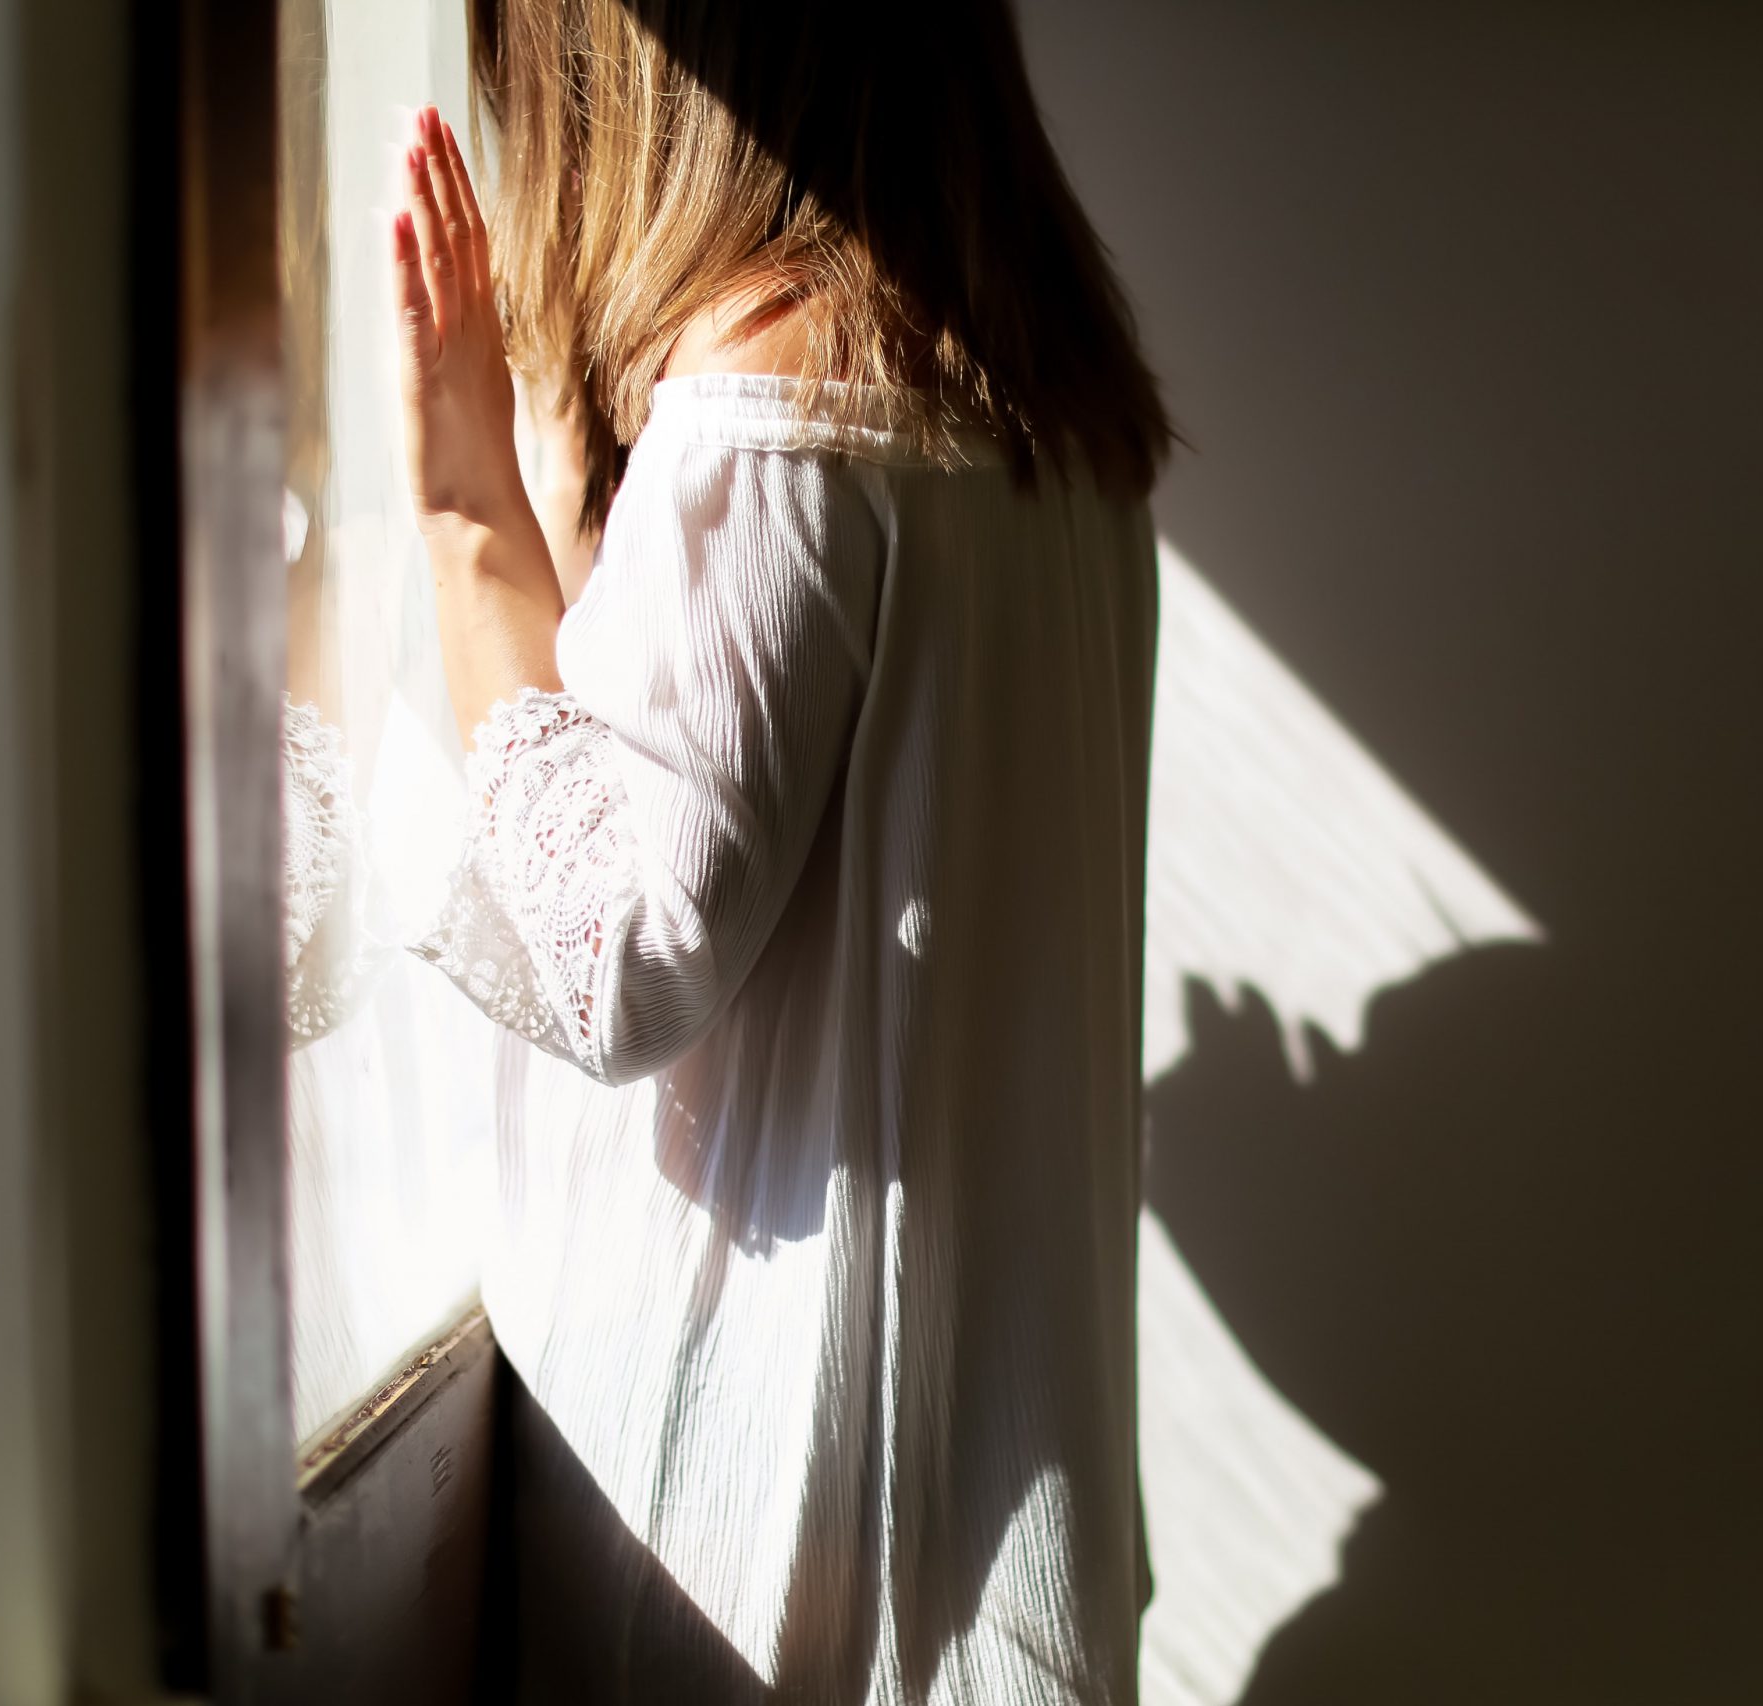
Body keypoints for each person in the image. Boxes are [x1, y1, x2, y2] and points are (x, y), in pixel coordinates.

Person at [395, 2, 1169, 1697]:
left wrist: (465, 519)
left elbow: (620, 955)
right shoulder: (1051, 416)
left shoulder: (776, 410)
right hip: (994, 1548)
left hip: (778, 1565)